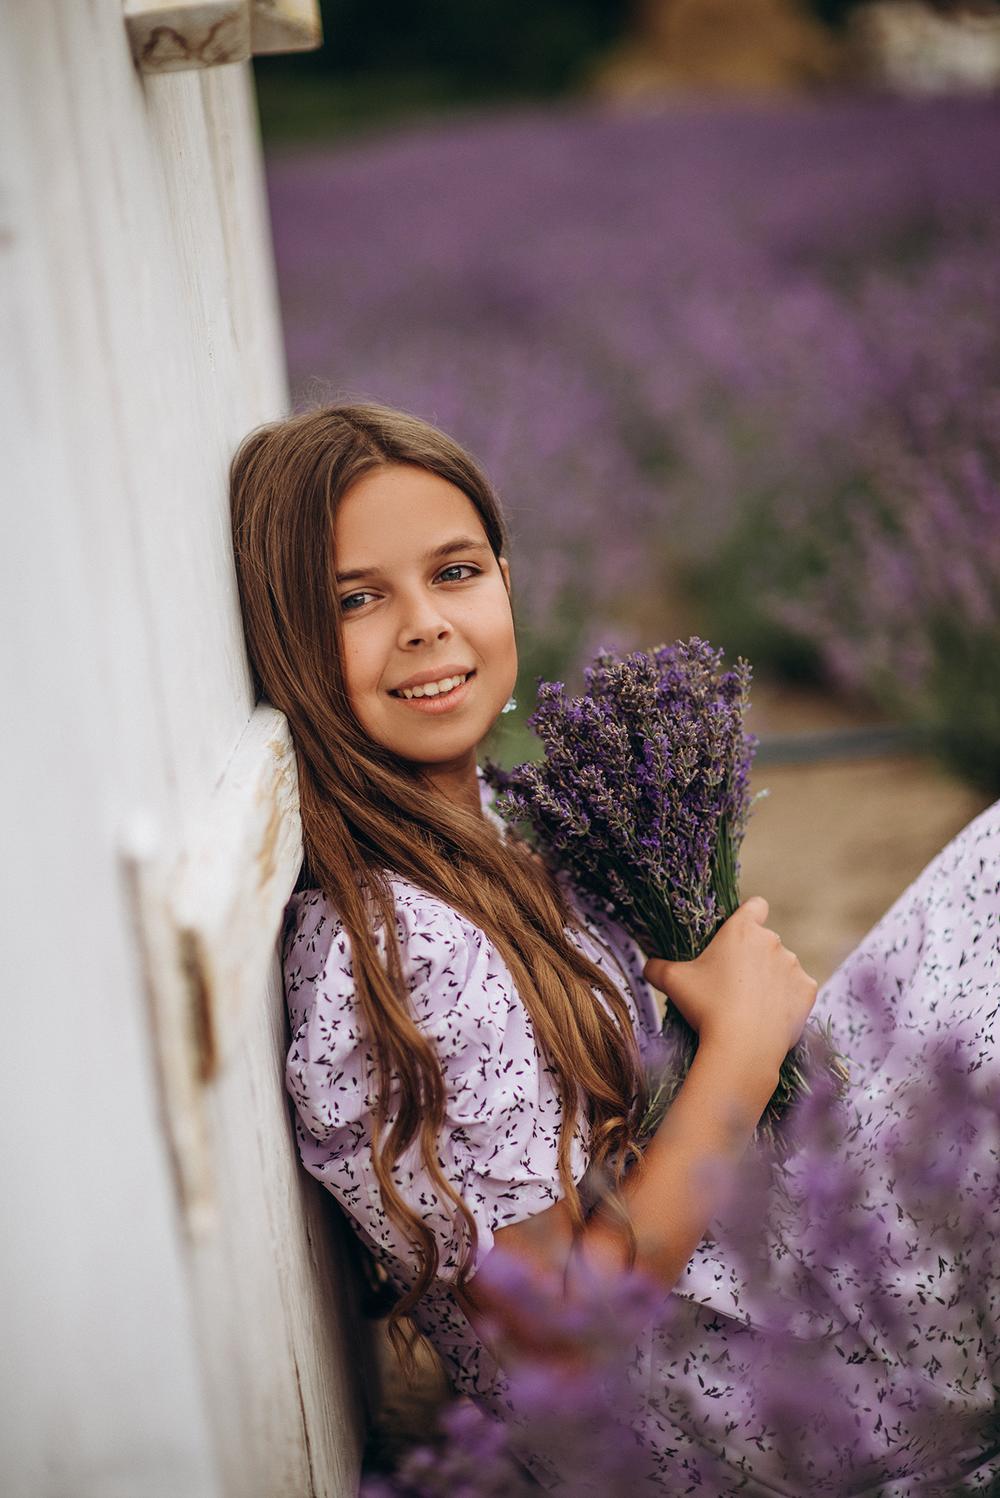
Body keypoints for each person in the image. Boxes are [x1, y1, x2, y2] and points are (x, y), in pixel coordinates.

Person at [229, 400, 1000, 1495]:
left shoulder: (500, 821)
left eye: (454, 572)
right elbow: (560, 1339)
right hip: (764, 1381)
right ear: (285, 641)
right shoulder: (402, 953)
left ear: (503, 576)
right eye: (355, 599)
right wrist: (737, 1043)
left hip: (772, 1250)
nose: (423, 624)